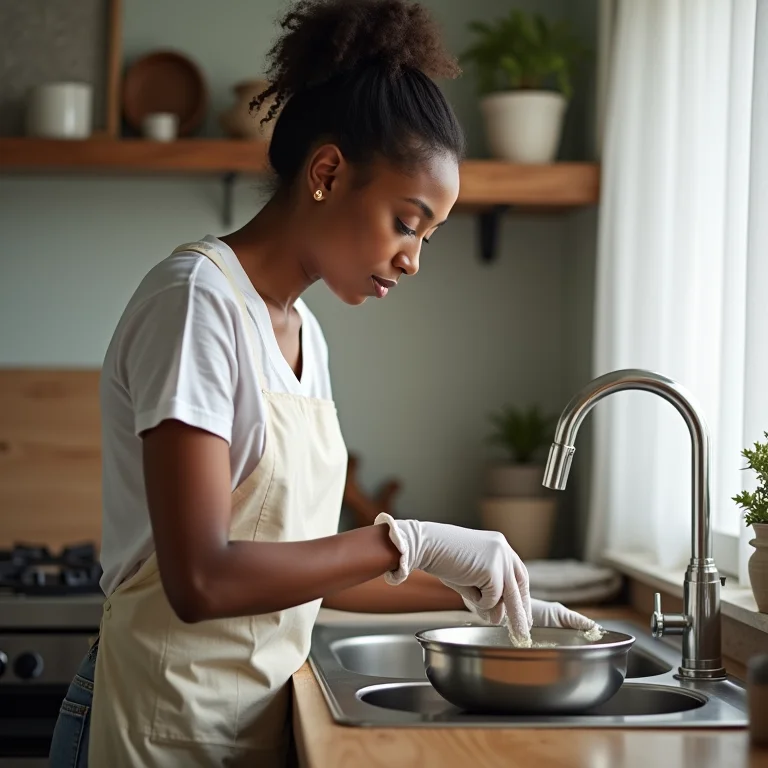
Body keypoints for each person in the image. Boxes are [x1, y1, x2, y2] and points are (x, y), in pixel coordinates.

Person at [48, 1, 597, 765]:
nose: (413, 260)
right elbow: (201, 579)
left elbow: (312, 577)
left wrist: (485, 596)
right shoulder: (197, 305)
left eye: (428, 237)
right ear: (328, 172)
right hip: (157, 726)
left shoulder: (307, 335)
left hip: (241, 729)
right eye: (407, 222)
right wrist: (410, 539)